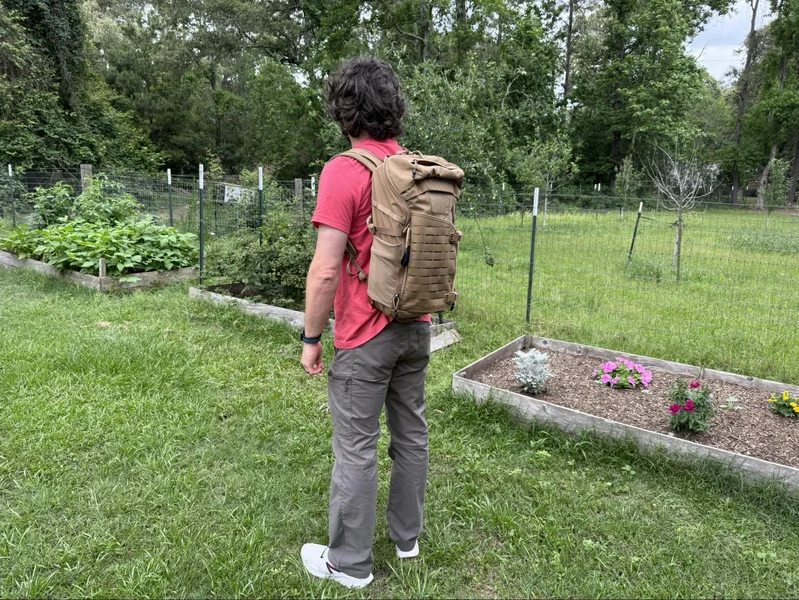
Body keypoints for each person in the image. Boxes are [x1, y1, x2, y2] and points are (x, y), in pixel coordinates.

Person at [299, 57, 431, 589]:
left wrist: (311, 339)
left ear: (344, 110)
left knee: (356, 446)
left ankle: (349, 563)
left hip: (364, 332)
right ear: (393, 108)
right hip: (418, 324)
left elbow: (326, 268)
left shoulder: (345, 170)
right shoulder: (418, 168)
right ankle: (407, 539)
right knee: (411, 434)